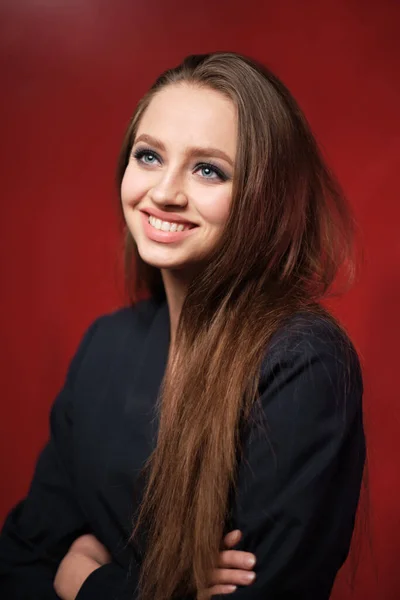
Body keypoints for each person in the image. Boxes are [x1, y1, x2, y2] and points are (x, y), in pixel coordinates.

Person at [0, 51, 366, 600]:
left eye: (208, 169)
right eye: (148, 157)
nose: (165, 192)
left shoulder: (303, 361)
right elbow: (21, 560)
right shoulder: (105, 347)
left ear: (264, 196)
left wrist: (86, 578)